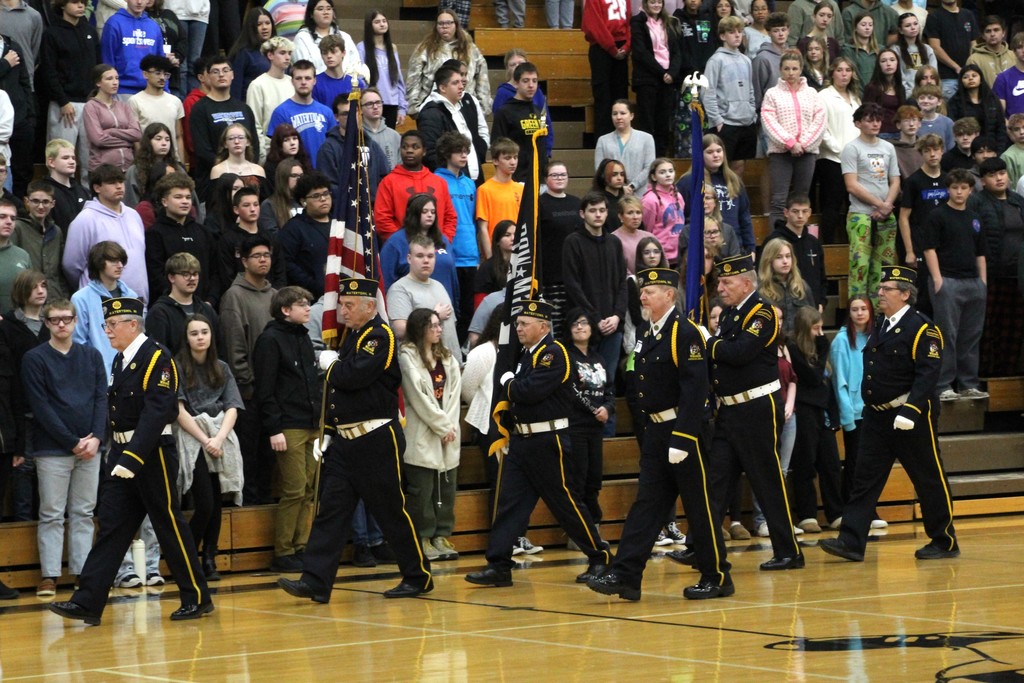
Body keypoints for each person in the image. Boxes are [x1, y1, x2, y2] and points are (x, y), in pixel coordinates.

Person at [48, 297, 213, 626]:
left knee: (168, 525)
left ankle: (196, 596)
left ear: (132, 325)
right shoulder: (120, 360)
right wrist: (117, 454)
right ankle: (88, 602)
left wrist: (134, 457)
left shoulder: (156, 358)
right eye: (105, 325)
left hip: (151, 454)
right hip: (121, 454)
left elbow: (158, 411)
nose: (107, 331)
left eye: (111, 325)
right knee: (112, 527)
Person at [278, 276, 433, 602]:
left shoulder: (380, 336)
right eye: (343, 303)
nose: (342, 310)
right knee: (331, 510)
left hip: (376, 439)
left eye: (349, 305)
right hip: (347, 442)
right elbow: (338, 394)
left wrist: (331, 365)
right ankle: (316, 580)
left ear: (370, 307)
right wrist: (331, 432)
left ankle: (417, 575)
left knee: (391, 510)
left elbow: (353, 377)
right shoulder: (356, 336)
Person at [588, 267, 733, 600]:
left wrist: (683, 437)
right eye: (641, 290)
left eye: (649, 291)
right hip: (656, 429)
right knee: (647, 505)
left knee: (699, 506)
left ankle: (717, 575)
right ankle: (626, 575)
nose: (642, 296)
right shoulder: (646, 331)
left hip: (684, 431)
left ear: (669, 295)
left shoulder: (685, 332)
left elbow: (696, 389)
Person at [464, 299, 612, 588]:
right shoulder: (526, 355)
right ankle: (498, 565)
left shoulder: (553, 354)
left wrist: (506, 380)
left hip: (548, 441)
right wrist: (512, 384)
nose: (517, 328)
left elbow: (528, 391)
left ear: (543, 326)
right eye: (517, 323)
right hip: (523, 440)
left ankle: (599, 556)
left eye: (523, 324)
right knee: (510, 504)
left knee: (565, 503)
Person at [820, 265, 959, 563]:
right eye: (880, 288)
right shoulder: (881, 324)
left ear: (905, 295)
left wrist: (911, 409)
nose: (879, 293)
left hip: (910, 416)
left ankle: (943, 539)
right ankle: (851, 541)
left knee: (928, 478)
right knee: (864, 479)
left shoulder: (922, 328)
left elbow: (929, 372)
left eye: (886, 289)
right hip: (878, 416)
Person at [707, 253, 803, 570]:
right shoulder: (734, 314)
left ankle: (788, 551)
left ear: (746, 282)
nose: (720, 286)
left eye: (727, 281)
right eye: (719, 281)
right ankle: (701, 546)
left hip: (756, 409)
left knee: (767, 481)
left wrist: (708, 343)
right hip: (730, 411)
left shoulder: (761, 313)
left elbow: (738, 353)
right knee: (716, 480)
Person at [22, 298, 105, 597]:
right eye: (54, 319)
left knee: (84, 512)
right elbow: (41, 408)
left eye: (66, 319)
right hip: (52, 449)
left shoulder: (92, 356)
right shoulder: (35, 358)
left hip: (91, 447)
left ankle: (82, 572)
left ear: (75, 321)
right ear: (46, 323)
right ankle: (50, 576)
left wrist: (96, 436)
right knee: (52, 513)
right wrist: (72, 442)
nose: (61, 324)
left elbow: (101, 399)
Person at [253, 286, 319, 572]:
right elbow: (265, 389)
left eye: (308, 303)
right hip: (288, 425)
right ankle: (283, 551)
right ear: (285, 309)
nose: (308, 309)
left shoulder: (303, 337)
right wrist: (274, 428)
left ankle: (302, 546)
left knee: (309, 489)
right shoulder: (270, 340)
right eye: (302, 304)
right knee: (293, 488)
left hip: (312, 423)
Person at [173, 314, 242, 581]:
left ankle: (209, 558)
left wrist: (219, 439)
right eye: (194, 333)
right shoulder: (177, 366)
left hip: (220, 434)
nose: (200, 337)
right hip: (192, 436)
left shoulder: (221, 367)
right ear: (187, 338)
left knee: (217, 502)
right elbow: (178, 410)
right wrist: (205, 441)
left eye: (204, 332)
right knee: (204, 503)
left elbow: (233, 406)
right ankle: (187, 558)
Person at [398, 308, 462, 562]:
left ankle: (441, 534)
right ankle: (422, 537)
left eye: (439, 325)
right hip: (421, 431)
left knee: (446, 488)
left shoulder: (447, 358)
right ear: (419, 329)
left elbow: (455, 395)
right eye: (432, 326)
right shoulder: (407, 357)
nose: (437, 330)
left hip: (447, 432)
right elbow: (417, 397)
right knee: (422, 490)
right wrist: (441, 426)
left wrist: (449, 426)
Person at [219, 234, 277, 505]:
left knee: (270, 456)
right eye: (257, 256)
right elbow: (235, 348)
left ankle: (265, 504)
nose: (263, 260)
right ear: (244, 261)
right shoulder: (234, 296)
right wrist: (248, 385)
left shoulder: (275, 295)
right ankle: (250, 507)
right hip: (250, 394)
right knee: (250, 454)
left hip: (275, 392)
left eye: (267, 255)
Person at [922, 168, 988, 401]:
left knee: (971, 335)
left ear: (970, 190)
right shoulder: (937, 215)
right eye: (954, 187)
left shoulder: (974, 217)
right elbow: (929, 249)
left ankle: (969, 383)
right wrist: (938, 280)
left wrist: (983, 282)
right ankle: (943, 386)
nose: (959, 192)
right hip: (947, 281)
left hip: (973, 283)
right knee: (946, 336)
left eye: (964, 188)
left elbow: (981, 253)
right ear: (948, 189)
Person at [563, 192, 628, 422]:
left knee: (607, 379)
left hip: (613, 325)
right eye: (592, 210)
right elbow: (572, 285)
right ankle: (582, 429)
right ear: (582, 214)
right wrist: (594, 318)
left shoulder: (614, 242)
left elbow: (623, 283)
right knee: (583, 380)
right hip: (585, 325)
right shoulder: (573, 242)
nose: (598, 214)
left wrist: (618, 316)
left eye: (602, 210)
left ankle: (607, 434)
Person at [829, 295, 887, 528]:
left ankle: (867, 508)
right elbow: (839, 382)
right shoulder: (842, 341)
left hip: (873, 410)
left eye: (864, 308)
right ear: (849, 313)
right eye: (855, 309)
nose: (860, 313)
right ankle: (855, 512)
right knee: (855, 463)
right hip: (855, 413)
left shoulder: (876, 337)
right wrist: (847, 418)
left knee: (870, 464)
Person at [786, 305, 843, 533]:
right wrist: (823, 346)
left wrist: (835, 415)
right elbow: (812, 377)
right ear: (804, 328)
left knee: (831, 465)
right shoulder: (793, 349)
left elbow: (827, 384)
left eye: (821, 328)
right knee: (805, 464)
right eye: (816, 328)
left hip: (823, 412)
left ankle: (836, 513)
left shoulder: (820, 350)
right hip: (804, 411)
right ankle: (807, 514)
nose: (820, 333)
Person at [63, 164, 148, 304]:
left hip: (136, 302)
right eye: (112, 183)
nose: (119, 186)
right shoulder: (85, 219)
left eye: (121, 181)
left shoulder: (134, 215)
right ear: (97, 188)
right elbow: (71, 265)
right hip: (100, 304)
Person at [970, 157, 1024, 377]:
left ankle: (1010, 373)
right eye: (992, 175)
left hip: (1018, 277)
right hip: (991, 275)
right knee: (988, 328)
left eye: (1001, 173)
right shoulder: (977, 203)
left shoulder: (1019, 201)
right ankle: (986, 375)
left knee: (1015, 329)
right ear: (983, 181)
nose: (999, 178)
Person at [842, 102, 901, 300]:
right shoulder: (852, 148)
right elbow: (852, 185)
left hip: (886, 214)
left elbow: (895, 180)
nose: (875, 124)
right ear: (858, 123)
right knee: (860, 264)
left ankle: (879, 310)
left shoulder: (888, 147)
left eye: (878, 120)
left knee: (883, 265)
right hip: (860, 213)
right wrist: (879, 204)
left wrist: (887, 206)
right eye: (869, 120)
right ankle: (858, 310)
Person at [761, 51, 826, 225]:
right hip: (780, 153)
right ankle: (776, 241)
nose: (791, 73)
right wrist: (790, 143)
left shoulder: (812, 93)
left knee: (802, 200)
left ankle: (799, 239)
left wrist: (803, 144)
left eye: (795, 69)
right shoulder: (772, 94)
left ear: (801, 70)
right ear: (780, 70)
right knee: (779, 200)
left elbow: (819, 121)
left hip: (807, 153)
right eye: (787, 68)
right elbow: (769, 122)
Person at [562, 307, 613, 531]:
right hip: (575, 427)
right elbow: (571, 390)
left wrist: (607, 408)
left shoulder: (598, 357)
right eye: (575, 324)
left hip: (596, 428)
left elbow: (609, 390)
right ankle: (577, 530)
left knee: (594, 479)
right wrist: (594, 409)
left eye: (583, 323)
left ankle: (593, 525)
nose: (580, 327)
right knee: (578, 479)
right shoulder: (565, 355)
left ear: (592, 328)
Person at [188, 55, 259, 201]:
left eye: (225, 70)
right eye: (215, 71)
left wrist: (246, 169)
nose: (221, 74)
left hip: (245, 179)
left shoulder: (244, 108)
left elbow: (254, 145)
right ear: (207, 76)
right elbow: (202, 150)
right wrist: (229, 169)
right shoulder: (200, 109)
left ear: (232, 75)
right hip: (214, 182)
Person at [40, 0, 99, 167]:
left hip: (89, 103)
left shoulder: (90, 31)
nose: (80, 6)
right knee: (62, 155)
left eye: (83, 2)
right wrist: (62, 101)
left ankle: (90, 192)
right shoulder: (52, 34)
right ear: (62, 5)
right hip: (64, 104)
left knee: (90, 158)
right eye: (74, 2)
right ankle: (61, 191)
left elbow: (98, 67)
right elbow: (48, 71)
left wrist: (96, 97)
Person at [386, 234, 462, 363]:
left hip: (451, 364)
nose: (426, 260)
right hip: (422, 368)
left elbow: (450, 327)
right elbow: (400, 331)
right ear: (409, 259)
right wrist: (435, 315)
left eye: (430, 256)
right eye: (420, 256)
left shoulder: (439, 286)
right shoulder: (399, 289)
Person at [678, 134, 757, 254]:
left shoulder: (733, 180)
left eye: (719, 151)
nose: (715, 155)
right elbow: (682, 216)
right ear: (700, 154)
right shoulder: (688, 182)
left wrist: (751, 248)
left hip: (733, 246)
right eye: (709, 152)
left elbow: (744, 216)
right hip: (702, 247)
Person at [374, 131, 457, 244]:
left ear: (424, 151)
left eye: (415, 147)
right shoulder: (388, 182)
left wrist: (443, 241)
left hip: (435, 249)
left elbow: (450, 217)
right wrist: (403, 243)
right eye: (404, 147)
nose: (409, 151)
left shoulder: (439, 182)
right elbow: (382, 219)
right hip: (403, 251)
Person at [406, 9, 490, 117]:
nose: (444, 26)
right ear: (436, 26)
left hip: (465, 107)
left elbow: (482, 79)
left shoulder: (470, 49)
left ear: (456, 25)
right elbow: (413, 79)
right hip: (434, 107)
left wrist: (482, 108)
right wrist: (415, 108)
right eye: (440, 23)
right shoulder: (424, 49)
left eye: (449, 23)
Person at [145, 173, 215, 304]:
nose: (185, 201)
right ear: (164, 201)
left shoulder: (203, 232)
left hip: (204, 306)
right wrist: (176, 300)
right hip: (171, 306)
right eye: (178, 197)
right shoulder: (154, 234)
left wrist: (211, 300)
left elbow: (214, 271)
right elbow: (156, 275)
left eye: (188, 197)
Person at [380, 193, 460, 306]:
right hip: (411, 312)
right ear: (414, 213)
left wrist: (455, 308)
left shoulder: (442, 240)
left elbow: (453, 278)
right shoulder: (395, 243)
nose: (430, 215)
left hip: (445, 309)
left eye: (433, 212)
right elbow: (386, 282)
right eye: (424, 211)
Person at [815, 57, 862, 242]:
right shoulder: (824, 96)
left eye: (848, 70)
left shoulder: (856, 97)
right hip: (832, 159)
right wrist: (838, 149)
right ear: (832, 73)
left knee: (854, 205)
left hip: (855, 161)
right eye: (840, 70)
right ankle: (827, 247)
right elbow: (822, 128)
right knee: (832, 205)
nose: (844, 74)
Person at [898, 133, 947, 307]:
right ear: (922, 154)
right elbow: (903, 217)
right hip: (921, 243)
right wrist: (909, 250)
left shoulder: (948, 180)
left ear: (942, 151)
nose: (932, 154)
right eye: (927, 151)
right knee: (924, 294)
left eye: (936, 150)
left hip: (945, 244)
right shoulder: (913, 181)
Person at [417, 64, 489, 182]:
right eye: (455, 83)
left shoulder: (462, 107)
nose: (461, 86)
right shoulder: (431, 114)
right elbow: (430, 153)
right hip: (450, 183)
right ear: (443, 88)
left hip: (469, 181)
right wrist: (450, 177)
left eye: (461, 82)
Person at [705, 16, 758, 176]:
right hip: (726, 123)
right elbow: (707, 92)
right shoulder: (716, 60)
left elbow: (750, 91)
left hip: (746, 121)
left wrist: (752, 113)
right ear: (722, 36)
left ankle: (734, 199)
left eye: (740, 32)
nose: (737, 35)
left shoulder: (746, 60)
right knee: (721, 167)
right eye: (732, 32)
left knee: (740, 166)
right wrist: (718, 120)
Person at [146, 252, 221, 358]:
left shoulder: (206, 310)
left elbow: (219, 348)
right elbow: (157, 356)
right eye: (186, 274)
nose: (192, 278)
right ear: (171, 277)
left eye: (195, 274)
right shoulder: (159, 313)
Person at [631, 0, 681, 157]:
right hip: (647, 78)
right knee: (647, 122)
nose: (656, 5)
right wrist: (661, 73)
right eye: (652, 2)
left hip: (667, 79)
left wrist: (671, 73)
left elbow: (676, 52)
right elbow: (640, 52)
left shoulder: (668, 21)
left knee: (663, 123)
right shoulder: (638, 21)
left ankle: (661, 158)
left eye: (659, 2)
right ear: (645, 3)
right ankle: (646, 159)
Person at [316, 94, 389, 202]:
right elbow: (328, 185)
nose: (350, 117)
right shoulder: (328, 149)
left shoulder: (370, 144)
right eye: (345, 114)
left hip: (371, 208)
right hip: (343, 210)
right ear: (336, 117)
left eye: (353, 112)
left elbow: (385, 176)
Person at [764, 193, 827, 309]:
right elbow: (764, 273)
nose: (800, 216)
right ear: (786, 213)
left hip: (811, 305)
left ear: (810, 212)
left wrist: (821, 301)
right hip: (782, 304)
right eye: (795, 211)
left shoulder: (813, 242)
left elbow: (821, 276)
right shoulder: (774, 240)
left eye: (804, 211)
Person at [219, 186, 287, 290]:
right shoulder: (228, 239)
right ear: (236, 209)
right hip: (241, 297)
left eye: (256, 204)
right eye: (246, 205)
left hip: (271, 295)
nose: (252, 209)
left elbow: (280, 272)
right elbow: (227, 276)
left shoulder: (270, 238)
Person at [493, 50, 554, 163]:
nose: (531, 85)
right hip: (516, 164)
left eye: (534, 81)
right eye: (513, 64)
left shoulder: (537, 103)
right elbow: (499, 140)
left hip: (536, 162)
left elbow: (546, 125)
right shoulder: (504, 104)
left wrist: (547, 151)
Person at [12, 181, 70, 299]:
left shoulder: (56, 231)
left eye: (45, 202)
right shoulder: (17, 227)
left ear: (52, 204)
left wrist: (64, 296)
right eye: (35, 201)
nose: (40, 206)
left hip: (54, 297)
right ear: (26, 201)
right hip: (28, 296)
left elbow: (60, 271)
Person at [277, 172, 331, 298]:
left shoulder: (339, 225)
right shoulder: (293, 229)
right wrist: (313, 285)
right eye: (316, 196)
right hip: (309, 298)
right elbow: (287, 263)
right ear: (303, 201)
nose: (323, 199)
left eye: (326, 194)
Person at [491, 62, 546, 186]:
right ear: (516, 83)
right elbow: (497, 146)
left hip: (539, 178)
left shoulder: (539, 111)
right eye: (526, 81)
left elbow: (542, 144)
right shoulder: (504, 112)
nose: (531, 85)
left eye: (534, 81)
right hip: (516, 178)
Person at [582, 0, 631, 140]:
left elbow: (628, 22)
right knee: (603, 97)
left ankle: (623, 138)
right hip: (601, 47)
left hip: (621, 48)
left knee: (621, 95)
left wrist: (627, 46)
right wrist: (611, 48)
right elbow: (594, 24)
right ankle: (604, 141)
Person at [83, 64, 143, 173]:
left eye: (117, 78)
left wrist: (112, 131)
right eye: (109, 79)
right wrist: (128, 142)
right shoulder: (91, 106)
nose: (115, 82)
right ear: (98, 83)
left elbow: (137, 134)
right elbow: (98, 140)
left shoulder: (124, 106)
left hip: (128, 168)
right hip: (102, 169)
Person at [245, 36, 295, 163]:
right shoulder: (258, 85)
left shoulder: (293, 82)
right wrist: (262, 155)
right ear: (270, 55)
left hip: (293, 148)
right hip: (270, 150)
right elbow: (255, 123)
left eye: (289, 53)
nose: (287, 57)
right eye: (282, 53)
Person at [100, 0, 165, 98]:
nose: (139, 2)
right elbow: (107, 60)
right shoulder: (114, 23)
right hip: (121, 90)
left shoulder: (153, 26)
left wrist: (165, 89)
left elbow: (161, 62)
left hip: (150, 90)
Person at [594, 100, 656, 196]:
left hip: (639, 195)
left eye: (623, 113)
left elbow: (649, 167)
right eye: (615, 114)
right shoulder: (603, 140)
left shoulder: (646, 138)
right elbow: (600, 169)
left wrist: (632, 186)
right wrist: (619, 187)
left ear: (631, 116)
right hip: (611, 195)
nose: (618, 117)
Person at [358, 11, 407, 129]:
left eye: (384, 21)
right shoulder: (362, 48)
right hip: (371, 103)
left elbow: (398, 81)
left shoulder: (393, 48)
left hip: (391, 102)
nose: (382, 24)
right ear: (369, 25)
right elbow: (360, 77)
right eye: (377, 22)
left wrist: (402, 108)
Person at [475, 138, 522, 256]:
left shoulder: (520, 189)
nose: (513, 162)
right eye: (507, 158)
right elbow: (483, 228)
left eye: (515, 157)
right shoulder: (485, 189)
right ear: (495, 161)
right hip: (496, 251)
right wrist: (490, 257)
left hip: (519, 251)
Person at [757, 237, 815, 333]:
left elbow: (813, 317)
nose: (785, 261)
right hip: (775, 343)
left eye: (788, 256)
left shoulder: (802, 286)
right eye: (779, 257)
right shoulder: (761, 290)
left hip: (801, 342)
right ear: (769, 260)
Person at [925, 0, 979, 101]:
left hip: (969, 75)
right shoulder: (934, 17)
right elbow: (935, 47)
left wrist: (969, 67)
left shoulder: (968, 14)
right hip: (947, 77)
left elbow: (974, 43)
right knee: (950, 113)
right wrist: (956, 67)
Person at [125, 123, 188, 208]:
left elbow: (191, 200)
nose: (164, 143)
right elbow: (130, 204)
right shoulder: (135, 170)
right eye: (158, 139)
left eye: (167, 139)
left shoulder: (178, 169)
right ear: (148, 142)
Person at [290, 0, 359, 75]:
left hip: (346, 84)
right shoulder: (302, 38)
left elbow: (355, 64)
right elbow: (302, 68)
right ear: (311, 14)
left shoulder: (345, 37)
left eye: (329, 8)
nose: (326, 12)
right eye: (320, 9)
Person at [948, 64, 1006, 149]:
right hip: (966, 148)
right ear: (961, 81)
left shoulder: (992, 100)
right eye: (965, 77)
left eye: (974, 76)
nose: (970, 78)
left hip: (991, 147)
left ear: (981, 79)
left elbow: (1001, 126)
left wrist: (999, 150)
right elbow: (954, 128)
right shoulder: (955, 102)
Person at [641, 158, 687, 265]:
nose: (668, 175)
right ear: (653, 177)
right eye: (662, 172)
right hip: (660, 256)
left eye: (671, 171)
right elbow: (648, 230)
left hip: (679, 254)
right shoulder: (650, 200)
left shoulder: (678, 196)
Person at [41, 140, 91, 232]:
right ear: (51, 162)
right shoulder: (44, 192)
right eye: (65, 158)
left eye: (73, 158)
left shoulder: (83, 191)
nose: (71, 162)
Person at [228, 8, 275, 102]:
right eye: (259, 24)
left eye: (267, 23)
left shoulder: (278, 50)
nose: (264, 27)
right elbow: (236, 88)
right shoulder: (243, 53)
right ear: (251, 27)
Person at [360, 86, 403, 171]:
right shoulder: (357, 134)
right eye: (369, 104)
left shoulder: (394, 135)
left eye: (378, 102)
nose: (375, 107)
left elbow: (400, 165)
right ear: (361, 109)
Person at [966, 15, 1013, 89]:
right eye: (988, 31)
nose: (992, 34)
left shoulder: (1014, 56)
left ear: (1003, 33)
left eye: (996, 30)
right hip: (987, 100)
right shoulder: (974, 60)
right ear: (983, 35)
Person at [895, 11, 935, 95]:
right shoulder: (896, 50)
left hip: (928, 94)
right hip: (907, 95)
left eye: (915, 24)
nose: (913, 27)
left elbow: (934, 74)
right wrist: (911, 94)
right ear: (900, 30)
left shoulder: (928, 49)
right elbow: (899, 78)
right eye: (908, 25)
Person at [842, 13, 879, 89]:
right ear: (855, 28)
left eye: (870, 25)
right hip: (856, 92)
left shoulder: (880, 50)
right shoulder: (847, 50)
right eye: (863, 25)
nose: (867, 28)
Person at [593, 158, 630, 233]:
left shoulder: (626, 199)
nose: (619, 178)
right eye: (614, 174)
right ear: (604, 177)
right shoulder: (597, 201)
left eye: (622, 174)